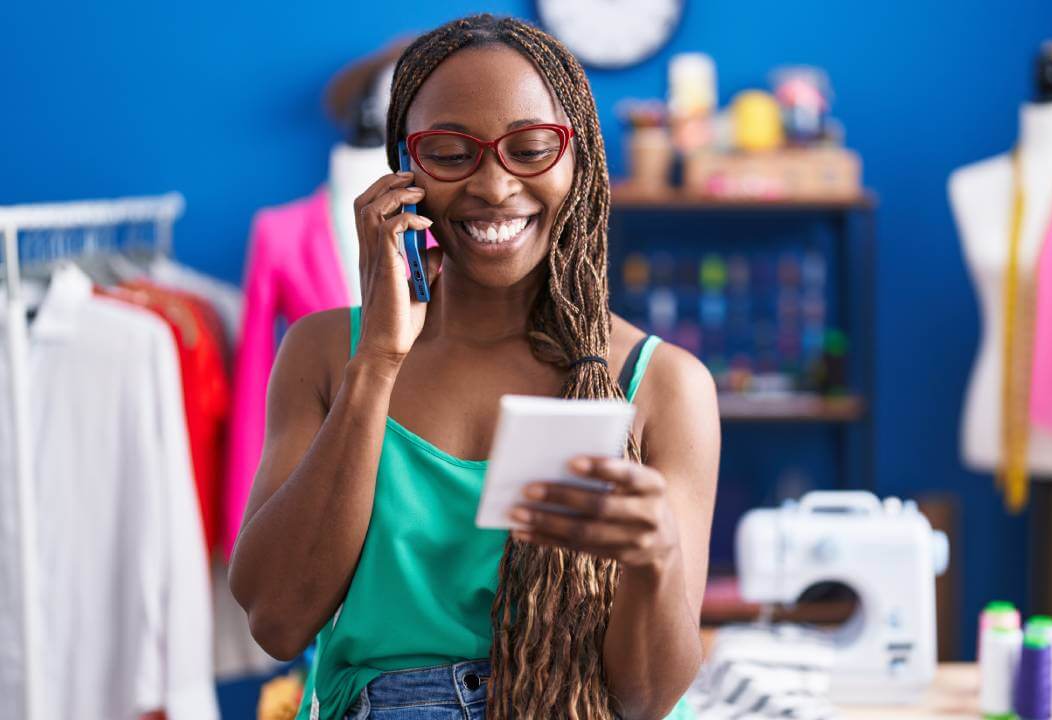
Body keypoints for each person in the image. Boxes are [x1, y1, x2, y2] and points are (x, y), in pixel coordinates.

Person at [228, 13, 720, 720]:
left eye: (530, 149)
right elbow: (277, 621)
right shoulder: (326, 354)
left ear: (579, 161)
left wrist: (658, 557)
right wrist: (379, 360)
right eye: (452, 152)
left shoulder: (664, 385)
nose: (493, 186)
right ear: (403, 167)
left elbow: (644, 699)